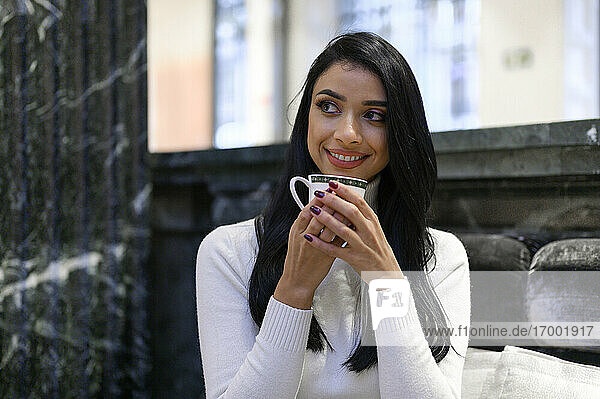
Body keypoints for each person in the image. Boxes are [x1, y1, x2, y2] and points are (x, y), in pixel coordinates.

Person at [196, 31, 470, 398]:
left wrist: (385, 278)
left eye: (374, 115)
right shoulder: (229, 251)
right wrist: (295, 288)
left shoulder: (441, 256)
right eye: (328, 107)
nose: (347, 134)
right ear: (306, 116)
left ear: (401, 133)